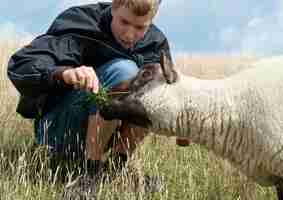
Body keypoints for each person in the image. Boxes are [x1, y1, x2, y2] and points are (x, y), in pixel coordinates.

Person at [7, 0, 172, 189]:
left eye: (140, 27)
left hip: (109, 135)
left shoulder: (156, 43)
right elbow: (21, 66)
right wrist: (65, 74)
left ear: (152, 20)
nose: (130, 34)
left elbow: (168, 94)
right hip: (58, 128)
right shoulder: (81, 21)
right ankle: (90, 175)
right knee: (124, 71)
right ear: (114, 7)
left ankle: (116, 171)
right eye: (124, 22)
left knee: (155, 84)